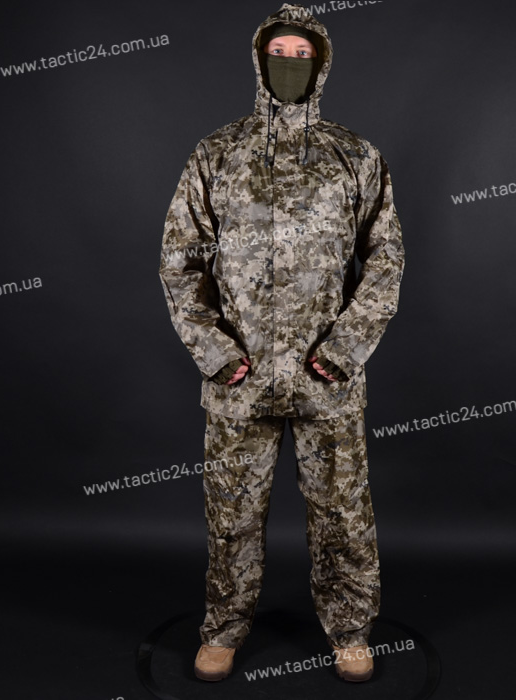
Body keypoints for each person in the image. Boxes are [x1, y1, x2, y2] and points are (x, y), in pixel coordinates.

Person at [159, 2, 405, 683]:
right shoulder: (217, 153)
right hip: (239, 381)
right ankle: (223, 628)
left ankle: (350, 630)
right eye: (279, 53)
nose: (289, 65)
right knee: (231, 516)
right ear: (259, 58)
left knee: (343, 515)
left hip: (328, 379)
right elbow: (180, 261)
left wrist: (344, 350)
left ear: (320, 65)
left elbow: (386, 262)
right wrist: (216, 353)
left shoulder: (355, 157)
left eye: (302, 55)